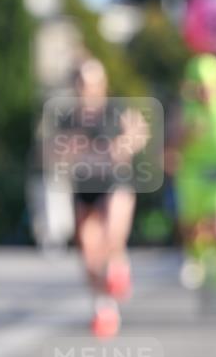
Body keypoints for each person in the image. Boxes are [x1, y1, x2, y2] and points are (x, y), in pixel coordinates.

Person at [50, 58, 150, 337]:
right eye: (81, 83)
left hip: (115, 181)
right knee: (89, 249)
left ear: (102, 85)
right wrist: (68, 152)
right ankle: (103, 307)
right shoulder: (68, 118)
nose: (87, 89)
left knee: (112, 231)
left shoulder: (115, 110)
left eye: (92, 83)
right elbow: (55, 150)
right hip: (84, 185)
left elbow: (139, 131)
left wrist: (123, 145)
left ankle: (119, 266)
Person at [172, 53, 216, 304]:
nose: (205, 92)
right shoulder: (185, 109)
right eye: (200, 87)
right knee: (198, 230)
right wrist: (187, 135)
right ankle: (197, 257)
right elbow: (171, 148)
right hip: (193, 178)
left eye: (209, 86)